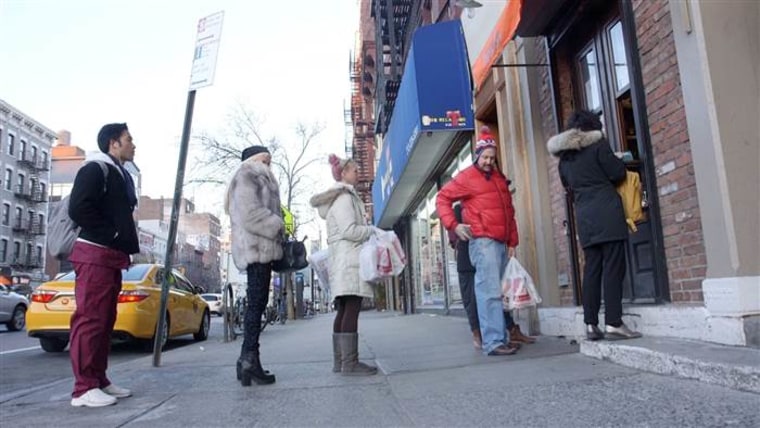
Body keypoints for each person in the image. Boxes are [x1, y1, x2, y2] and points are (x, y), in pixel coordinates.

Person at [547, 110, 642, 341]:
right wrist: (618, 160)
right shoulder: (599, 145)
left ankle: (591, 324)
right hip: (607, 212)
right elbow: (618, 173)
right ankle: (613, 323)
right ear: (593, 127)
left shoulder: (564, 160)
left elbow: (568, 187)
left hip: (584, 216)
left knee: (591, 270)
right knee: (613, 269)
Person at [67, 123, 139, 407]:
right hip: (94, 254)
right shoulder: (95, 168)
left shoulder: (120, 173)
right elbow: (79, 207)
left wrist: (122, 242)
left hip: (111, 256)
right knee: (91, 319)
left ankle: (99, 380)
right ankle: (83, 389)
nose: (134, 144)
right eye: (129, 139)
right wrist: (113, 234)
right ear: (114, 143)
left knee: (105, 320)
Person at [436, 126, 520, 356]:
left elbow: (509, 211)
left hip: (500, 242)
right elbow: (442, 197)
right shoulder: (467, 177)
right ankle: (493, 342)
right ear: (477, 155)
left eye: (492, 158)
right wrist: (453, 225)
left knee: (498, 292)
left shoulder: (498, 178)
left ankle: (501, 337)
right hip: (483, 241)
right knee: (489, 292)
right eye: (484, 157)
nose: (488, 161)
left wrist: (513, 241)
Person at [309, 154, 377, 376]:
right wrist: (371, 230)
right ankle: (350, 364)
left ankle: (341, 362)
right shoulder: (345, 199)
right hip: (350, 260)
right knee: (351, 308)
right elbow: (350, 231)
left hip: (342, 259)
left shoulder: (340, 199)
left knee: (344, 308)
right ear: (344, 174)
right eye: (355, 170)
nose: (358, 173)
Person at [225, 145, 283, 386]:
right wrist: (276, 224)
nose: (268, 164)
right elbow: (249, 214)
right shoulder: (247, 174)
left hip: (261, 248)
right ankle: (250, 360)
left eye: (270, 160)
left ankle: (247, 360)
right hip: (256, 248)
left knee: (256, 304)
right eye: (265, 159)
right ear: (252, 159)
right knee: (255, 305)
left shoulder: (255, 175)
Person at [447, 205, 535, 350]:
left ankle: (509, 330)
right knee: (472, 300)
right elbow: (453, 235)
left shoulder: (484, 203)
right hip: (467, 260)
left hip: (489, 255)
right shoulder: (459, 208)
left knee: (497, 295)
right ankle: (478, 334)